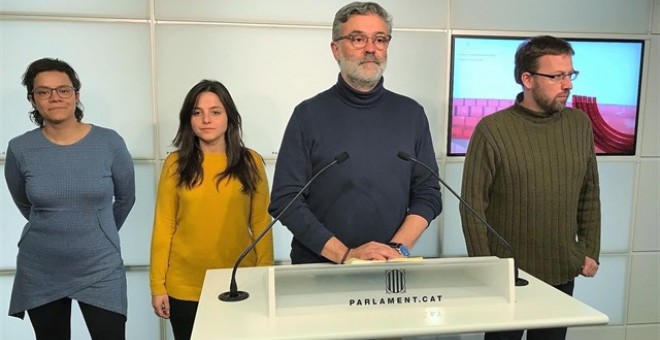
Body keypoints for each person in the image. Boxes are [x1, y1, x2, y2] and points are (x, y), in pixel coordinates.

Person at [269, 1, 442, 265]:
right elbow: (286, 200)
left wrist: (396, 250)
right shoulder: (308, 115)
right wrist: (346, 255)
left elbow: (428, 193)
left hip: (390, 269)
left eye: (380, 40)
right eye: (358, 39)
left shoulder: (411, 114)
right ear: (336, 49)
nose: (371, 48)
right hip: (319, 272)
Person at [460, 35, 601, 340]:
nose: (568, 85)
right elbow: (472, 206)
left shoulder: (579, 125)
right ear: (527, 79)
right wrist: (487, 270)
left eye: (570, 75)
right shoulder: (492, 130)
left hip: (562, 272)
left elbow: (589, 192)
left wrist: (589, 248)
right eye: (557, 76)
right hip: (509, 279)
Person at [4, 58, 136, 340]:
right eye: (44, 91)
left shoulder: (109, 142)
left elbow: (126, 198)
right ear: (32, 99)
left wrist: (98, 232)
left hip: (101, 266)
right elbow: (27, 206)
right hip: (41, 267)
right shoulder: (19, 148)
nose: (55, 97)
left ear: (76, 94)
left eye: (63, 89)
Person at [150, 79, 273, 340]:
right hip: (185, 287)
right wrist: (157, 284)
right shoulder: (175, 164)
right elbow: (164, 225)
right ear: (189, 120)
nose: (206, 119)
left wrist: (266, 276)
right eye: (197, 112)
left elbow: (262, 222)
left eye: (215, 111)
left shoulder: (251, 162)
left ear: (229, 117)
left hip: (240, 284)